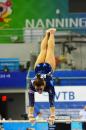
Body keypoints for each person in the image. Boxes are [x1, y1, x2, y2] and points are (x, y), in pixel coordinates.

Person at [28, 28, 56, 124]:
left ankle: (50, 33)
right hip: (44, 68)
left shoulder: (49, 84)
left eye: (40, 89)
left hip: (44, 67)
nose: (39, 90)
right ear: (35, 86)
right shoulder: (32, 85)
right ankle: (49, 33)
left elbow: (51, 102)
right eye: (38, 89)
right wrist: (30, 116)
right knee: (46, 50)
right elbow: (31, 102)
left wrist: (52, 116)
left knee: (47, 49)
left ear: (44, 85)